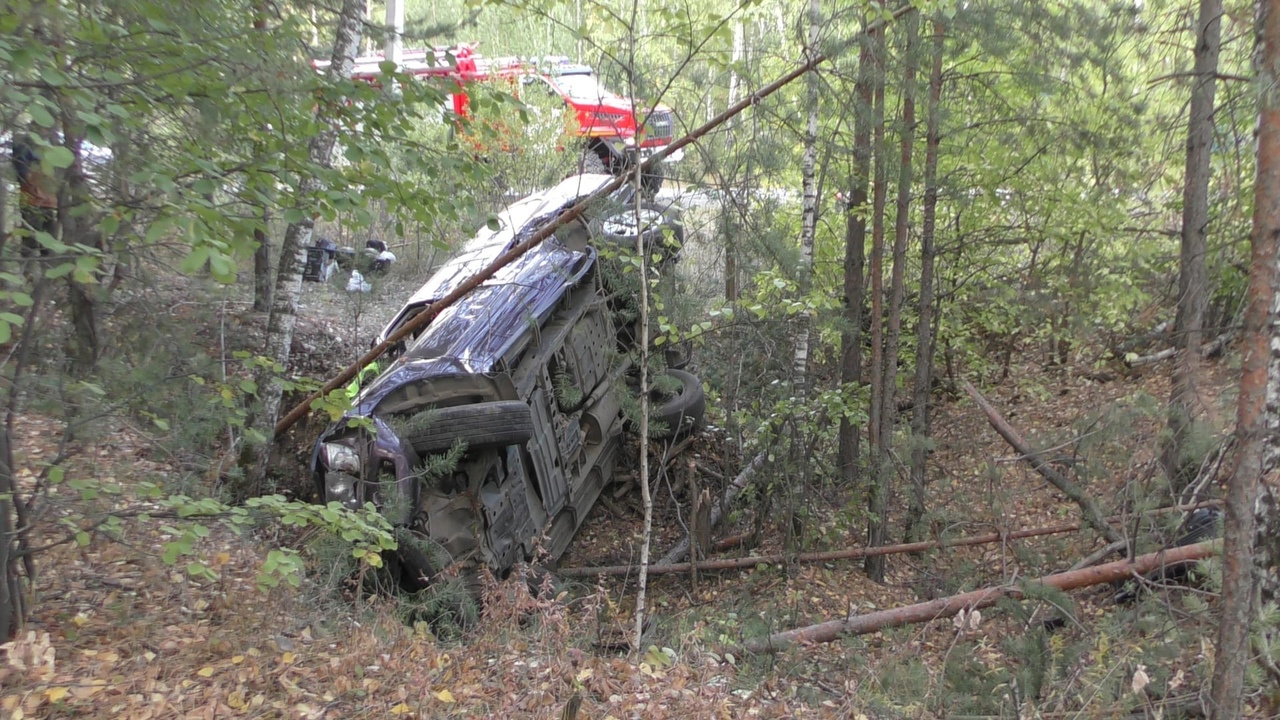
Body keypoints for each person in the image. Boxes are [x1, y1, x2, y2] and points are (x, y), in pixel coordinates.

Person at [10, 134, 59, 257]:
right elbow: (22, 173)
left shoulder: (50, 150)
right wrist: (33, 188)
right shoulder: (24, 149)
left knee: (48, 246)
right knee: (30, 243)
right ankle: (28, 273)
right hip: (33, 201)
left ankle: (43, 273)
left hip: (47, 203)